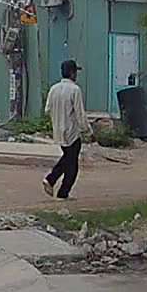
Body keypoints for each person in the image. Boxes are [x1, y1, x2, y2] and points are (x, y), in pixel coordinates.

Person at [43, 59, 93, 200]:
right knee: (72, 165)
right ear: (72, 73)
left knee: (68, 159)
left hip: (58, 132)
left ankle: (55, 184)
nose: (76, 75)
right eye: (75, 72)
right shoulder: (75, 90)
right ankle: (58, 188)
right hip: (72, 133)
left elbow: (47, 109)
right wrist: (88, 131)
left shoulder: (54, 89)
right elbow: (80, 114)